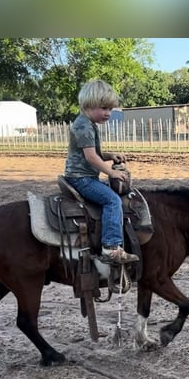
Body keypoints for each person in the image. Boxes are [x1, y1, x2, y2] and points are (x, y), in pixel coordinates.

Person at [64, 79, 139, 264]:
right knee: (112, 200)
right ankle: (111, 248)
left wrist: (111, 155)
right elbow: (91, 158)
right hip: (81, 178)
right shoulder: (83, 126)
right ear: (89, 105)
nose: (108, 113)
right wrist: (111, 173)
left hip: (83, 175)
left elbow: (94, 153)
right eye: (104, 108)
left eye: (110, 109)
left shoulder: (88, 124)